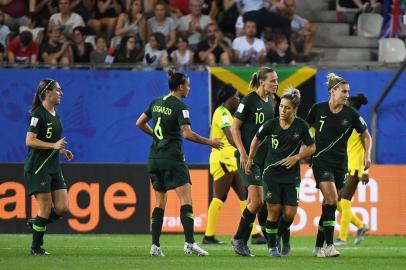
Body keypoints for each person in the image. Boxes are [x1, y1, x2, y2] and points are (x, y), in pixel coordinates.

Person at [136, 68, 223, 257]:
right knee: (186, 199)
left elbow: (139, 123)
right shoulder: (180, 106)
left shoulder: (156, 102)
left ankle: (155, 246)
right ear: (180, 86)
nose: (189, 89)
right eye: (188, 85)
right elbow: (188, 134)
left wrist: (157, 137)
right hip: (173, 158)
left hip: (154, 157)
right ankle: (190, 243)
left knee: (160, 202)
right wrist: (211, 142)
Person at [306, 73, 372, 258]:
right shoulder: (317, 109)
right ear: (333, 92)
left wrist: (367, 155)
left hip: (340, 165)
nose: (346, 95)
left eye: (348, 92)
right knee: (334, 200)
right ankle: (329, 245)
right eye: (343, 91)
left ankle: (318, 247)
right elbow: (303, 128)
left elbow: (366, 135)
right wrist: (304, 148)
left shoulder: (351, 115)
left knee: (328, 205)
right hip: (321, 162)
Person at [245, 88, 315, 257]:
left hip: (291, 176)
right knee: (274, 210)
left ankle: (284, 238)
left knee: (290, 214)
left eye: (287, 108)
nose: (283, 110)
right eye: (281, 106)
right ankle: (272, 247)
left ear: (295, 109)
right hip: (271, 174)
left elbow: (312, 147)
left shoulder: (301, 126)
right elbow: (256, 139)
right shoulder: (271, 124)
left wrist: (297, 157)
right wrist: (250, 158)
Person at [203, 84, 263, 245]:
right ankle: (208, 236)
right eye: (236, 96)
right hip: (223, 160)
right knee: (219, 197)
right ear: (229, 98)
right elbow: (230, 138)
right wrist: (248, 150)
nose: (238, 98)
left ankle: (256, 233)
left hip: (231, 160)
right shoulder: (222, 113)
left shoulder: (226, 113)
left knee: (244, 196)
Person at [230, 67, 278, 256]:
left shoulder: (271, 101)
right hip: (248, 159)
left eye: (276, 80)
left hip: (264, 160)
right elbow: (235, 128)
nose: (276, 83)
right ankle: (238, 239)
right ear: (262, 82)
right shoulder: (248, 100)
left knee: (260, 202)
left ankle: (263, 240)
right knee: (257, 201)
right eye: (273, 80)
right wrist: (242, 153)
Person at [25, 78, 74, 255]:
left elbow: (51, 140)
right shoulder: (37, 114)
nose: (61, 93)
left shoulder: (55, 113)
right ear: (48, 92)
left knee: (62, 208)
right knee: (45, 207)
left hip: (53, 166)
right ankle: (36, 248)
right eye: (58, 90)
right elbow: (29, 140)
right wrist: (53, 146)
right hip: (38, 167)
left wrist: (61, 150)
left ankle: (37, 222)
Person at [335, 93, 370, 246]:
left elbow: (365, 146)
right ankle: (361, 226)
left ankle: (342, 238)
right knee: (336, 202)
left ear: (351, 105)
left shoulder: (358, 123)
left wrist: (366, 171)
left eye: (347, 102)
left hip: (355, 168)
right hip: (345, 167)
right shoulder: (347, 122)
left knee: (345, 201)